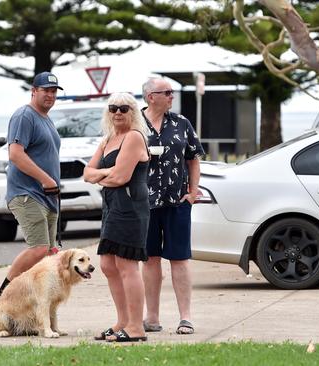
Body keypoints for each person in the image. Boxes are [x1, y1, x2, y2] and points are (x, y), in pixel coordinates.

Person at [0, 71, 63, 308]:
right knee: (39, 249)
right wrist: (45, 179)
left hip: (47, 197)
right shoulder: (24, 116)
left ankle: (33, 306)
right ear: (34, 91)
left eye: (53, 91)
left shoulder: (45, 118)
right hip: (27, 194)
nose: (50, 95)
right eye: (45, 90)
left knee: (50, 255)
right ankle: (1, 294)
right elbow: (15, 155)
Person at [83, 92, 150, 342]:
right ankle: (123, 321)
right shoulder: (109, 139)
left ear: (133, 112)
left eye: (124, 108)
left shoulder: (133, 137)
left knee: (126, 264)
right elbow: (86, 173)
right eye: (113, 108)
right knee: (108, 265)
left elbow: (121, 178)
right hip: (111, 204)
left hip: (131, 206)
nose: (118, 113)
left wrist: (103, 174)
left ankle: (136, 327)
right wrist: (108, 172)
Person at [140, 77, 204, 335]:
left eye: (172, 92)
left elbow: (194, 158)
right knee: (150, 259)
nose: (171, 96)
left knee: (179, 259)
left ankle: (185, 318)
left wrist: (192, 192)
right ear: (150, 96)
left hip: (177, 202)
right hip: (144, 204)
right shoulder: (134, 123)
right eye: (166, 92)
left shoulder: (181, 123)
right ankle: (152, 317)